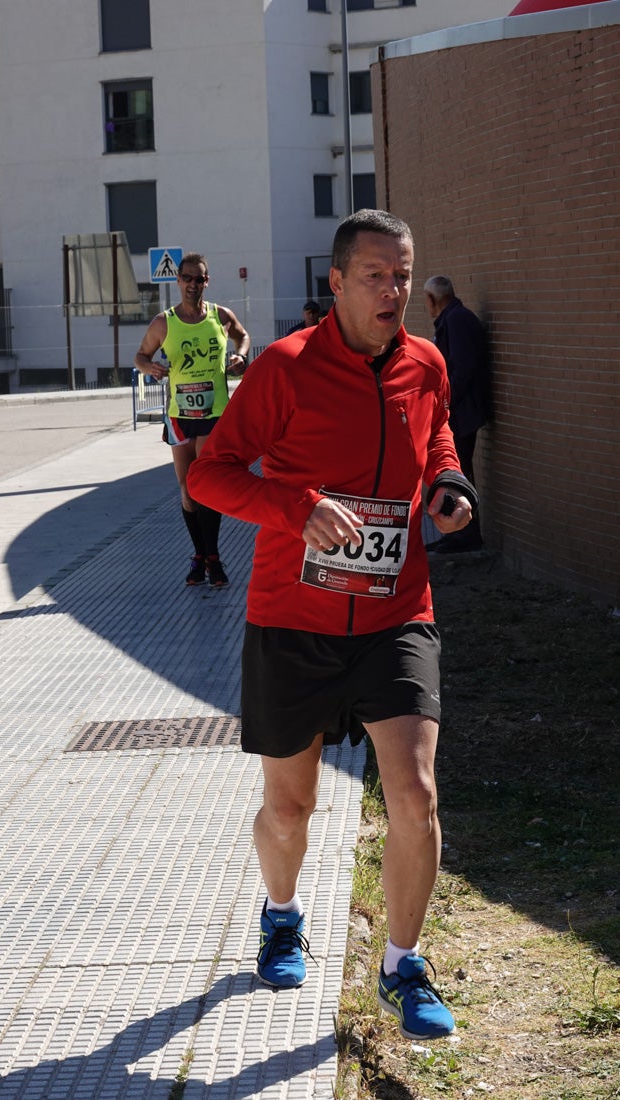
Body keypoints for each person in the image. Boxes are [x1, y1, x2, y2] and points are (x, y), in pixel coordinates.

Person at [187, 209, 478, 1041]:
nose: (395, 291)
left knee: (415, 794)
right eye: (378, 277)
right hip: (293, 619)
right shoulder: (282, 369)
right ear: (337, 284)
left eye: (404, 274)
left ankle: (402, 965)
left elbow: (436, 441)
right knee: (291, 807)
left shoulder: (425, 363)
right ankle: (281, 913)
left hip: (395, 611)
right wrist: (294, 506)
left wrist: (450, 485)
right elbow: (212, 474)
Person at [134, 252, 250, 588]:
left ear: (206, 282)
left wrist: (239, 356)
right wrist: (149, 367)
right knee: (187, 490)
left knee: (205, 485)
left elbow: (243, 336)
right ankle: (201, 556)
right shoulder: (164, 322)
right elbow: (141, 354)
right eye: (187, 278)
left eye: (199, 279)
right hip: (179, 415)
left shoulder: (219, 316)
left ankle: (212, 558)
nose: (193, 284)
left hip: (213, 413)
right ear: (178, 280)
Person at [423, 275, 493, 553]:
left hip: (462, 413)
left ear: (432, 300)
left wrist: (445, 403)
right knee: (457, 469)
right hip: (459, 411)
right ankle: (456, 532)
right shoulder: (453, 319)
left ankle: (466, 533)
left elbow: (462, 369)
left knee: (459, 471)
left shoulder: (456, 320)